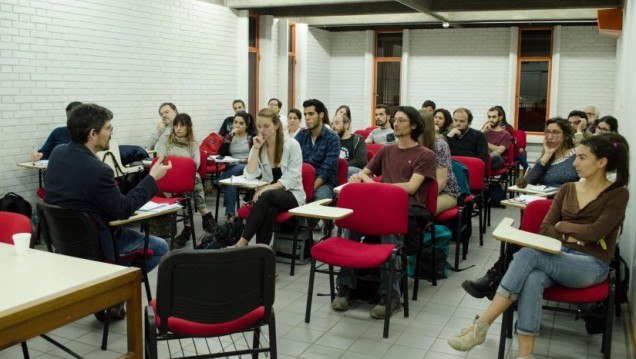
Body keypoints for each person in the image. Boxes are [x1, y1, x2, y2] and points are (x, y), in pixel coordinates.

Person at [449, 134, 630, 359]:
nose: (575, 164)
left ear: (602, 162)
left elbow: (597, 232)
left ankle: (482, 324)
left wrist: (564, 226)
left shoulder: (618, 194)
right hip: (558, 255)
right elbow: (546, 228)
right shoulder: (568, 189)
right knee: (533, 277)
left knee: (529, 255)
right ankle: (525, 355)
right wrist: (576, 235)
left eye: (582, 158)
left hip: (591, 265)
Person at [332, 106, 436, 319]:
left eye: (401, 120)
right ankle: (347, 286)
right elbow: (365, 173)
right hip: (381, 204)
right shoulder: (386, 150)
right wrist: (357, 178)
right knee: (349, 221)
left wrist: (376, 186)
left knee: (389, 228)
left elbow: (411, 187)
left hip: (409, 207)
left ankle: (390, 295)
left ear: (414, 125)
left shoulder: (425, 155)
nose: (395, 124)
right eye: (395, 120)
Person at [45, 103, 170, 274]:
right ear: (93, 134)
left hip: (64, 242)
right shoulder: (99, 170)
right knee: (161, 246)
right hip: (97, 244)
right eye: (108, 128)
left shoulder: (57, 153)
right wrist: (152, 178)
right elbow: (122, 209)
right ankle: (119, 285)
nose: (111, 133)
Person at [462, 117, 579, 299]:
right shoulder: (548, 156)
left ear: (566, 135)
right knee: (520, 237)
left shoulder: (576, 156)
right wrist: (546, 156)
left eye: (555, 132)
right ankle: (496, 279)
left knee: (523, 237)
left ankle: (494, 279)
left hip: (566, 213)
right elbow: (527, 182)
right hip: (545, 209)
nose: (550, 136)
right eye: (547, 132)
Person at [230, 108, 304, 247]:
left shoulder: (292, 145)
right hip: (269, 199)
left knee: (267, 195)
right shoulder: (259, 145)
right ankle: (261, 253)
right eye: (258, 126)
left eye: (266, 126)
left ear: (276, 126)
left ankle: (242, 242)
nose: (262, 130)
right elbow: (250, 174)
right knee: (270, 210)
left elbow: (292, 179)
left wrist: (265, 189)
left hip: (292, 195)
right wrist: (256, 148)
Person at [156, 113, 216, 246]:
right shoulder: (165, 140)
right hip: (167, 177)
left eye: (182, 126)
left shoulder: (192, 144)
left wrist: (182, 169)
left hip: (186, 180)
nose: (178, 128)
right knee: (193, 180)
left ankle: (188, 228)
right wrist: (180, 167)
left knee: (191, 182)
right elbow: (160, 159)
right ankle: (205, 215)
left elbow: (195, 164)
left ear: (188, 127)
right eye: (176, 125)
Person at [295, 99, 340, 202]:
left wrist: (310, 188)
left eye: (311, 114)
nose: (307, 118)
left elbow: (327, 170)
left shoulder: (332, 138)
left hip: (323, 182)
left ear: (321, 115)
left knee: (320, 199)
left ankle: (320, 219)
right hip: (301, 180)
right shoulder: (301, 135)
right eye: (305, 114)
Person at [418, 109, 460, 214]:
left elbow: (441, 182)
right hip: (419, 190)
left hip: (445, 192)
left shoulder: (439, 145)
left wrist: (420, 199)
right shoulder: (411, 142)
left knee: (420, 211)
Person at [217, 111, 255, 221]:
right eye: (235, 122)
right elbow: (222, 153)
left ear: (247, 125)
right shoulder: (230, 136)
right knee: (231, 183)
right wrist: (229, 137)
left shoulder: (251, 137)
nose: (237, 125)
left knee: (240, 167)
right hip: (232, 168)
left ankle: (219, 181)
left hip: (248, 167)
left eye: (241, 123)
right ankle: (230, 215)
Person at [331, 113, 367, 178]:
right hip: (335, 169)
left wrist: (341, 166)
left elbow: (360, 161)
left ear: (346, 125)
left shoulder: (358, 140)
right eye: (332, 124)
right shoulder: (331, 141)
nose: (333, 126)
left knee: (342, 171)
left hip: (352, 170)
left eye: (336, 123)